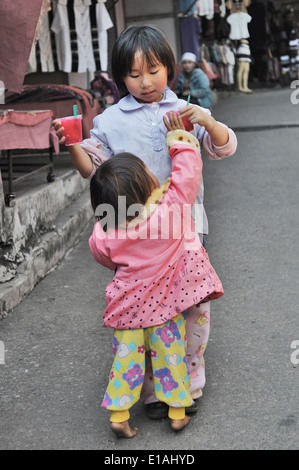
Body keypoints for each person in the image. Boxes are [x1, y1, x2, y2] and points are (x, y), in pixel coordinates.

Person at [54, 24, 237, 419]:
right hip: (136, 237)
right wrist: (72, 142)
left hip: (187, 229)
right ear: (121, 77)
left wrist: (206, 120)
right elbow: (91, 169)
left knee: (193, 310)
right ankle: (156, 391)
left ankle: (189, 380)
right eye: (134, 74)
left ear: (168, 67)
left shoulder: (185, 110)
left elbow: (223, 146)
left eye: (153, 70)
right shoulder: (110, 120)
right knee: (148, 314)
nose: (145, 81)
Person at [89, 113, 224, 438]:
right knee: (170, 355)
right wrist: (179, 139)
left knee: (127, 361)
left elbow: (101, 254)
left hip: (127, 312)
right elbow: (187, 177)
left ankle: (121, 412)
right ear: (147, 186)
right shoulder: (171, 212)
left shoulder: (106, 232)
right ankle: (178, 409)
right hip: (165, 310)